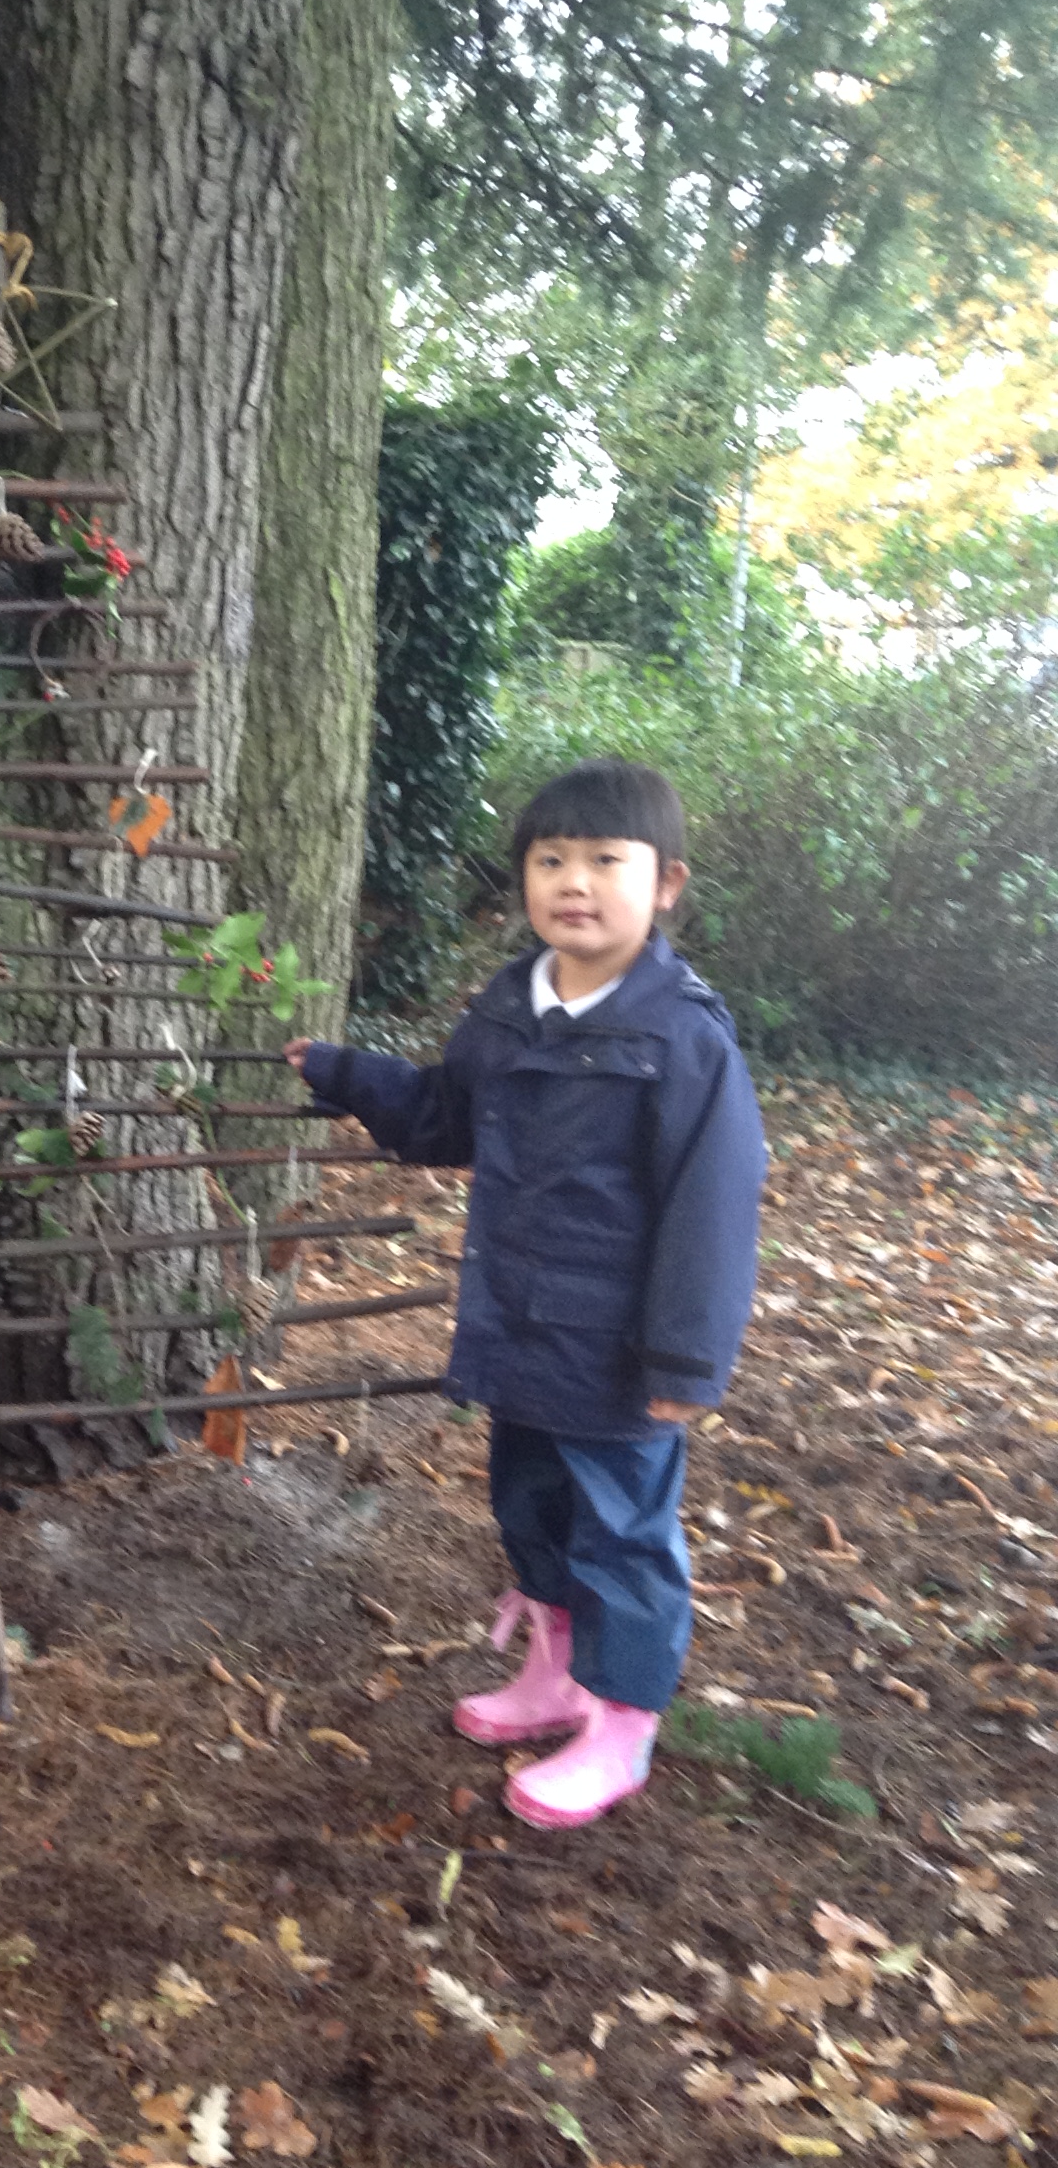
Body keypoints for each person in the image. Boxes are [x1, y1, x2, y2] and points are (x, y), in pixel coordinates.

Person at [285, 757, 766, 1828]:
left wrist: (687, 1360)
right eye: (550, 860)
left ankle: (622, 1722)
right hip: (517, 1325)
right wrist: (348, 1073)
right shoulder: (509, 1009)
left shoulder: (682, 1037)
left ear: (666, 884)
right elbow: (446, 1118)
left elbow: (713, 1206)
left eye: (605, 859)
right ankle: (552, 1673)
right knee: (533, 1507)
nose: (574, 882)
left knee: (622, 1534)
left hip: (619, 1349)